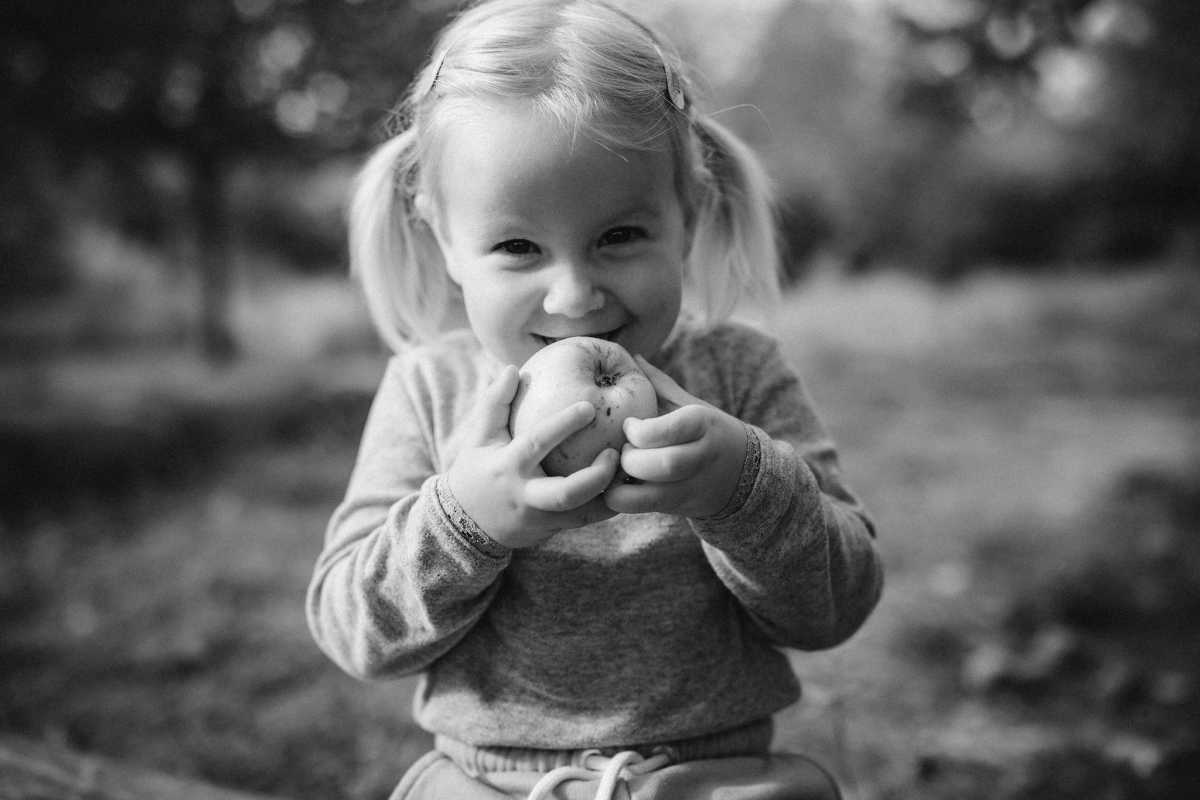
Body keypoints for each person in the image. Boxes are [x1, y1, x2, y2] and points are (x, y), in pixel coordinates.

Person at [307, 1, 883, 797]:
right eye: (517, 247)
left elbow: (838, 606)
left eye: (618, 237)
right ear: (445, 242)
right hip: (491, 784)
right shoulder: (431, 389)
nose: (575, 298)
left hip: (711, 779)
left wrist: (741, 488)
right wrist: (465, 519)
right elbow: (354, 630)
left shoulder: (739, 374)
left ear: (690, 216)